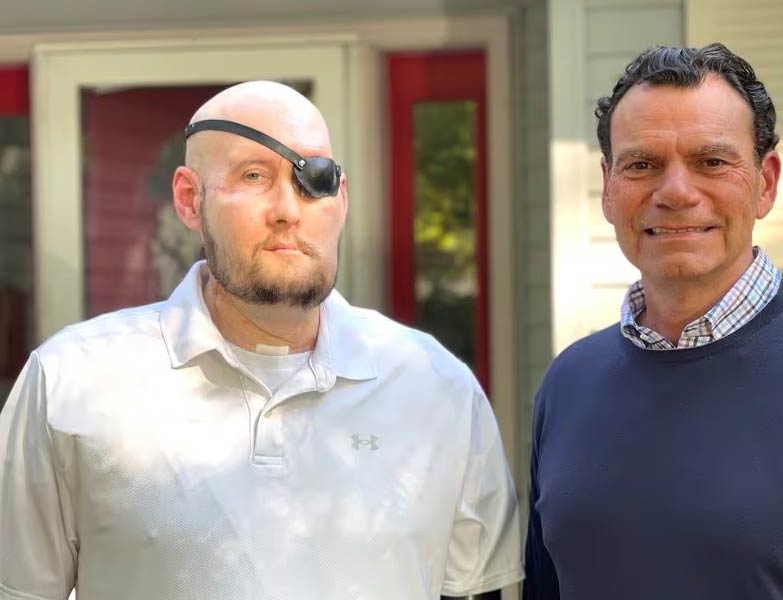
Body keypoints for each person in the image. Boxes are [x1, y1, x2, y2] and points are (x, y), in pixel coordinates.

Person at [0, 81, 523, 600]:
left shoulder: (435, 389)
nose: (288, 210)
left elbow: (477, 591)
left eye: (313, 179)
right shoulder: (72, 383)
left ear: (340, 199)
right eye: (254, 175)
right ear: (189, 198)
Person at [523, 43, 783, 599]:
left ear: (765, 182)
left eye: (712, 161)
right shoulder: (569, 381)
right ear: (608, 187)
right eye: (642, 165)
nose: (675, 192)